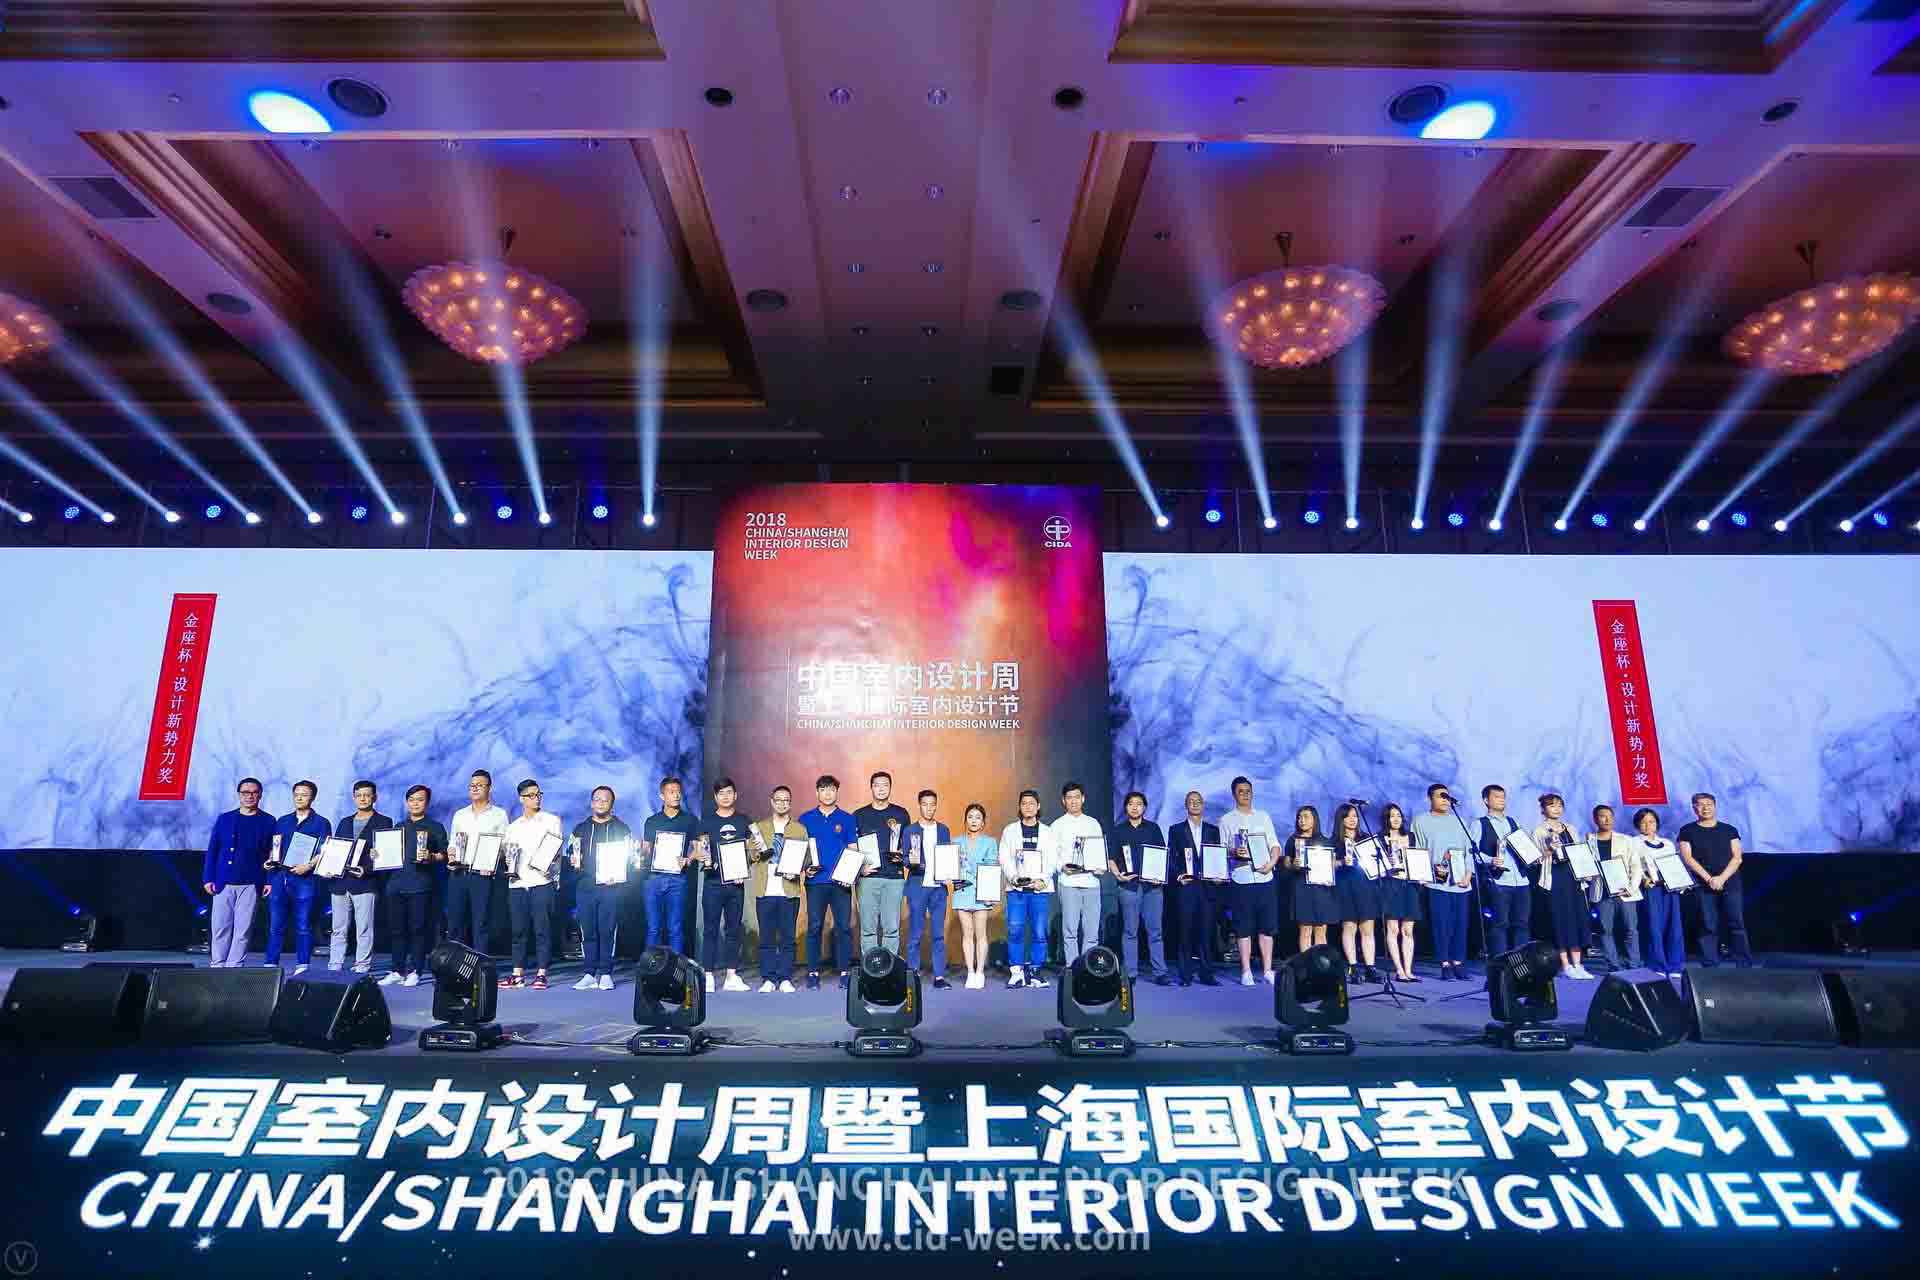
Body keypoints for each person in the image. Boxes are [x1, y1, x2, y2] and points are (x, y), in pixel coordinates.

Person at [202, 777, 275, 968]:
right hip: (223, 881)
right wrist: (208, 878)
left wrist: (268, 880)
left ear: (260, 795)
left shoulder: (268, 821)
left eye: (254, 793)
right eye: (245, 792)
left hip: (252, 882)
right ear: (238, 795)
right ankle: (217, 964)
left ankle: (234, 966)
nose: (249, 796)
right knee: (220, 927)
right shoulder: (225, 819)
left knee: (243, 929)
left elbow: (272, 853)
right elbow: (213, 850)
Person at [568, 785, 635, 990]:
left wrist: (620, 874)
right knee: (588, 930)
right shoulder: (580, 829)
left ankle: (605, 972)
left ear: (612, 804)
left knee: (607, 929)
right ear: (591, 803)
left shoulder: (622, 829)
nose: (600, 803)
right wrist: (573, 860)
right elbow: (571, 852)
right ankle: (589, 973)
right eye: (597, 799)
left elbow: (630, 859)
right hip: (585, 885)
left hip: (610, 886)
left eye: (605, 800)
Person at [380, 784, 445, 987]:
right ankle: (397, 970)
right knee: (396, 930)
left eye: (420, 800)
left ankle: (416, 970)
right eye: (411, 800)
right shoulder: (398, 826)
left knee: (418, 930)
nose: (415, 803)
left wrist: (432, 856)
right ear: (407, 802)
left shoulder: (435, 827)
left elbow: (444, 855)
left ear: (427, 803)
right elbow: (386, 855)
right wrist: (377, 854)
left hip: (420, 885)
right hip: (395, 885)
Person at [500, 779, 562, 990]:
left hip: (542, 882)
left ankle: (542, 973)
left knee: (542, 930)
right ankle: (517, 974)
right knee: (518, 931)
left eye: (538, 794)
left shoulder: (551, 821)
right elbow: (507, 855)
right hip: (517, 883)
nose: (536, 799)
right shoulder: (513, 827)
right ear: (521, 799)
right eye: (531, 795)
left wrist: (547, 865)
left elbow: (555, 850)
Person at [1678, 792, 1752, 968]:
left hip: (1730, 881)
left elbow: (1737, 858)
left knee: (1736, 921)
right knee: (1708, 923)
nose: (1705, 808)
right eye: (1700, 804)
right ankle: (1710, 963)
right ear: (1694, 808)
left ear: (1715, 806)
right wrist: (1709, 879)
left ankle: (1743, 962)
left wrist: (1721, 878)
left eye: (1709, 804)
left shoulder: (1729, 830)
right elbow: (1688, 858)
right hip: (1703, 883)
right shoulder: (1687, 830)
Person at [1219, 776, 1281, 986]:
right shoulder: (1227, 820)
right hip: (1242, 879)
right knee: (1243, 928)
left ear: (1252, 793)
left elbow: (1274, 844)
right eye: (1240, 791)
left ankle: (1267, 970)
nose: (1245, 794)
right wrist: (1234, 851)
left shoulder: (1263, 816)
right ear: (1234, 795)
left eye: (1248, 791)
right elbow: (1222, 849)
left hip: (1265, 877)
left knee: (1267, 927)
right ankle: (1246, 971)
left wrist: (1272, 862)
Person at [327, 780, 391, 975]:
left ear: (374, 797)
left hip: (366, 883)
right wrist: (329, 866)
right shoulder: (344, 822)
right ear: (354, 798)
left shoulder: (384, 822)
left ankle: (362, 965)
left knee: (364, 928)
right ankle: (335, 964)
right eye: (359, 795)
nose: (363, 798)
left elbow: (384, 854)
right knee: (338, 928)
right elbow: (336, 849)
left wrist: (367, 869)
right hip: (340, 882)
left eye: (367, 795)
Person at [695, 777, 753, 993]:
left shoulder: (744, 821)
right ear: (715, 797)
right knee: (710, 929)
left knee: (733, 930)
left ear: (735, 795)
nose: (725, 797)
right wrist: (702, 856)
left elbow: (752, 850)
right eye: (721, 793)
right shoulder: (706, 822)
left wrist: (744, 868)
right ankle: (708, 975)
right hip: (713, 883)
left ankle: (731, 975)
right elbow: (700, 849)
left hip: (736, 885)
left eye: (729, 792)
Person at [800, 775, 858, 990]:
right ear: (817, 793)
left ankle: (844, 972)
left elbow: (853, 849)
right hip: (815, 882)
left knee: (843, 927)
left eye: (831, 789)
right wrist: (805, 868)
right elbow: (801, 851)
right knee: (814, 927)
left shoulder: (847, 819)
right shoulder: (806, 819)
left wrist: (849, 875)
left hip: (841, 883)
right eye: (823, 789)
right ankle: (813, 972)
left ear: (837, 792)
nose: (827, 793)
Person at [266, 780, 330, 973]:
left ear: (313, 797)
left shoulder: (321, 823)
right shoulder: (283, 821)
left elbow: (325, 850)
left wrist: (308, 866)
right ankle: (270, 964)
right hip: (280, 877)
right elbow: (275, 847)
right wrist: (270, 861)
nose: (300, 798)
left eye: (304, 794)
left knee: (303, 924)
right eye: (297, 794)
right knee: (276, 925)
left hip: (305, 879)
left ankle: (303, 965)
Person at [1411, 784, 1473, 981]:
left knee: (1460, 924)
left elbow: (1469, 851)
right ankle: (1445, 963)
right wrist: (1422, 874)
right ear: (1430, 799)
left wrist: (1469, 874)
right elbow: (1418, 850)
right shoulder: (1421, 821)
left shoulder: (1459, 821)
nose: (1445, 800)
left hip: (1461, 881)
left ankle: (1458, 962)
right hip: (1437, 881)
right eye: (1440, 796)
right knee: (1441, 924)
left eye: (1447, 796)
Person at [749, 785, 808, 992]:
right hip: (765, 889)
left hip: (789, 891)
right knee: (766, 937)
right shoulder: (759, 828)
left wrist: (797, 870)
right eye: (778, 800)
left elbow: (807, 858)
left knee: (788, 938)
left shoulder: (799, 829)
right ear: (772, 802)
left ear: (790, 803)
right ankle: (768, 978)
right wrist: (756, 852)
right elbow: (750, 856)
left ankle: (785, 978)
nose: (782, 804)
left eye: (786, 800)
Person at [998, 789, 1059, 989]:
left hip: (1039, 890)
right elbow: (1004, 858)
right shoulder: (1010, 831)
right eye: (1024, 803)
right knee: (1015, 929)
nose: (1028, 807)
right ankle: (1016, 972)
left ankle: (1035, 971)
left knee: (1039, 932)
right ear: (1020, 806)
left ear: (1038, 806)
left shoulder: (1048, 832)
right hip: (1017, 890)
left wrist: (1043, 879)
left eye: (1032, 803)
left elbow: (1052, 859)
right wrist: (1014, 878)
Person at [1108, 790, 1170, 985]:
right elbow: (1111, 858)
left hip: (1152, 888)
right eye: (1131, 804)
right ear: (1126, 807)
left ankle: (1160, 972)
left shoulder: (1153, 829)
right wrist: (1118, 875)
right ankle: (1131, 973)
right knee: (1130, 931)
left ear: (1144, 808)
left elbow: (1162, 855)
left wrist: (1160, 877)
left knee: (1155, 931)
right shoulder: (1118, 830)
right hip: (1129, 886)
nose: (1135, 807)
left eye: (1139, 804)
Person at [1533, 793, 1595, 980]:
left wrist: (1587, 870)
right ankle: (1566, 965)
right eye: (1552, 805)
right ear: (1543, 809)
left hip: (1573, 877)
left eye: (1560, 805)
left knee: (1577, 920)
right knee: (1561, 921)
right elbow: (1535, 859)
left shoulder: (1570, 828)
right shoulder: (1539, 831)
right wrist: (1549, 849)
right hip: (1555, 878)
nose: (1557, 809)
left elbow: (1579, 852)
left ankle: (1578, 964)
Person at [447, 770, 508, 951]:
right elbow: (453, 843)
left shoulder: (499, 815)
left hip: (482, 876)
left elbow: (504, 847)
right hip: (458, 874)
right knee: (455, 923)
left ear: (489, 788)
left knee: (481, 923)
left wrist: (491, 860)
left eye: (479, 785)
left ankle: (480, 964)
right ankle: (454, 963)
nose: (474, 789)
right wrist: (452, 856)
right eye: (472, 785)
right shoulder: (460, 814)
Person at [1165, 790, 1222, 986]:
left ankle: (1207, 974)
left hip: (1207, 888)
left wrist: (1219, 875)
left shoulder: (1213, 830)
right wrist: (1177, 876)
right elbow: (1171, 858)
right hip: (1186, 887)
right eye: (1191, 801)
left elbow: (1217, 856)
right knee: (1185, 932)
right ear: (1186, 805)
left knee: (1206, 933)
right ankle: (1185, 975)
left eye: (1198, 801)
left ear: (1203, 805)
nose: (1195, 804)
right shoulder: (1176, 830)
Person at [854, 770, 912, 960]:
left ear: (890, 788)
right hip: (867, 879)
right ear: (871, 788)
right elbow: (851, 847)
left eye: (885, 785)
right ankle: (871, 967)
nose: (881, 789)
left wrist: (903, 854)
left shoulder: (901, 814)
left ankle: (889, 967)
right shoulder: (859, 815)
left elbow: (909, 845)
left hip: (894, 878)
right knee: (868, 929)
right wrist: (859, 868)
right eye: (877, 785)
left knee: (891, 928)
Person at [902, 789, 955, 988]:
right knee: (915, 933)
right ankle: (913, 974)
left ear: (936, 806)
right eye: (925, 804)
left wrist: (950, 871)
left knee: (938, 934)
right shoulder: (910, 830)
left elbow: (948, 855)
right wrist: (913, 862)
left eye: (932, 804)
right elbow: (905, 859)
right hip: (918, 885)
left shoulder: (943, 830)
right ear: (920, 805)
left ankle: (939, 976)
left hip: (939, 888)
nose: (929, 808)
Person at [641, 776, 699, 956]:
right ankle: (652, 967)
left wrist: (688, 860)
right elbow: (646, 849)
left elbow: (698, 848)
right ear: (662, 795)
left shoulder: (690, 820)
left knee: (675, 927)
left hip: (678, 879)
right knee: (653, 928)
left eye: (678, 792)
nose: (676, 795)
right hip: (654, 878)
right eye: (671, 792)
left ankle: (675, 968)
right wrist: (640, 851)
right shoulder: (652, 821)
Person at [1051, 781, 1105, 968]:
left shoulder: (1093, 823)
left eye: (1076, 797)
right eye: (1069, 798)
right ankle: (1073, 970)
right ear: (1063, 801)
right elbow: (1051, 856)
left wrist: (1100, 866)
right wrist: (1061, 867)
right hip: (1069, 883)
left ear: (1083, 799)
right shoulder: (1057, 825)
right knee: (1070, 931)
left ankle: (1088, 969)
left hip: (1091, 883)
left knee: (1091, 932)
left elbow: (1099, 850)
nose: (1073, 801)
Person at [1476, 784, 1531, 955]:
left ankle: (1521, 963)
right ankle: (1500, 962)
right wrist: (1491, 860)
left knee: (1522, 924)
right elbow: (1473, 853)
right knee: (1500, 924)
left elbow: (1525, 847)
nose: (1501, 800)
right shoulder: (1480, 824)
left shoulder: (1513, 822)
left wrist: (1532, 855)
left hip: (1521, 880)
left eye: (1503, 797)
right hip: (1499, 881)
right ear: (1486, 800)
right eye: (1496, 797)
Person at [1332, 802, 1383, 983]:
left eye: (1355, 816)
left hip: (1365, 886)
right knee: (1349, 927)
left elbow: (1377, 861)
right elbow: (1327, 864)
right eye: (1348, 816)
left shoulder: (1366, 839)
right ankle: (1353, 967)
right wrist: (1341, 862)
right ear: (1341, 819)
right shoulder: (1334, 841)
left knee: (1367, 928)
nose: (1352, 819)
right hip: (1345, 886)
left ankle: (1370, 967)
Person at [950, 803, 999, 989]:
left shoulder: (990, 842)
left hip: (982, 892)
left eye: (978, 817)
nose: (974, 821)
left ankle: (980, 972)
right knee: (967, 934)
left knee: (981, 934)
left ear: (983, 822)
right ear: (965, 820)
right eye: (970, 817)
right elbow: (951, 868)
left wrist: (988, 891)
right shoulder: (956, 842)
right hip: (962, 891)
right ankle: (970, 971)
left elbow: (991, 868)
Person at [1589, 804, 1642, 971]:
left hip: (1625, 891)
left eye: (1610, 816)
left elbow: (1636, 866)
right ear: (1595, 819)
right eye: (1602, 816)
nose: (1607, 819)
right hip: (1602, 892)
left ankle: (1634, 964)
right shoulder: (1588, 841)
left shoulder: (1626, 840)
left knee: (1630, 929)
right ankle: (1614, 965)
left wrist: (1632, 887)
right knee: (1605, 930)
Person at [1633, 807, 1685, 979]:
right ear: (1637, 825)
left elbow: (1674, 864)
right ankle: (1657, 964)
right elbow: (1633, 865)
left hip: (1670, 887)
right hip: (1651, 887)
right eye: (1643, 822)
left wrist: (1680, 881)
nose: (1648, 825)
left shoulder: (1668, 843)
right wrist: (1643, 879)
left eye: (1652, 821)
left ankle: (1675, 965)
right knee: (1654, 925)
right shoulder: (1634, 843)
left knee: (1674, 925)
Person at [1378, 803, 1424, 983]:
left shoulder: (1410, 836)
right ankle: (1399, 970)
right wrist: (1386, 862)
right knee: (1393, 929)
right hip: (1391, 884)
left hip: (1409, 884)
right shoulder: (1381, 838)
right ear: (1386, 819)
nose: (1396, 819)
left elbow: (1418, 858)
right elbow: (1376, 865)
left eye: (1398, 815)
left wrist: (1422, 874)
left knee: (1408, 930)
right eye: (1392, 816)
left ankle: (1408, 970)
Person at [1286, 804, 1339, 958]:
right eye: (1299, 817)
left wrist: (1333, 868)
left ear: (1314, 819)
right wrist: (1293, 865)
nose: (1302, 820)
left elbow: (1331, 864)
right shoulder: (1293, 840)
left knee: (1321, 930)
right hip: (1301, 889)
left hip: (1321, 889)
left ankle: (1321, 964)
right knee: (1305, 930)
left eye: (1306, 817)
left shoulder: (1325, 841)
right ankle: (1307, 965)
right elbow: (1286, 863)